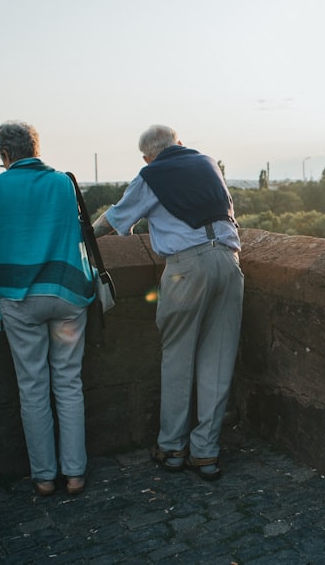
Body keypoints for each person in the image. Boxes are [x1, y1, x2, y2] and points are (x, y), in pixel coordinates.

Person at [93, 124, 243, 481]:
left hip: (187, 268)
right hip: (229, 261)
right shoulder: (208, 163)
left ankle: (172, 448)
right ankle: (206, 454)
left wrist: (81, 234)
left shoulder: (151, 174)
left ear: (147, 156)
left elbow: (113, 221)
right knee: (218, 361)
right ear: (180, 143)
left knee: (178, 358)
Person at [0, 121, 94, 497]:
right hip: (66, 293)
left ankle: (44, 477)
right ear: (36, 147)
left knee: (33, 387)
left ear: (6, 155)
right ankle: (75, 474)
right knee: (69, 382)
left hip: (21, 297)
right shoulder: (63, 182)